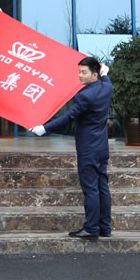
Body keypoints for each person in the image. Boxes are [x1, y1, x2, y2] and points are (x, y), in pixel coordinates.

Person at [31, 57, 113, 241]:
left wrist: (44, 128)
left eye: (84, 72)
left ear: (94, 75)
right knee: (102, 187)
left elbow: (68, 117)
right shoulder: (107, 87)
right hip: (102, 147)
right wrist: (105, 73)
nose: (80, 75)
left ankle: (91, 229)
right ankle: (105, 227)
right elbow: (106, 77)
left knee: (91, 190)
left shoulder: (85, 96)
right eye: (79, 72)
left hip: (88, 148)